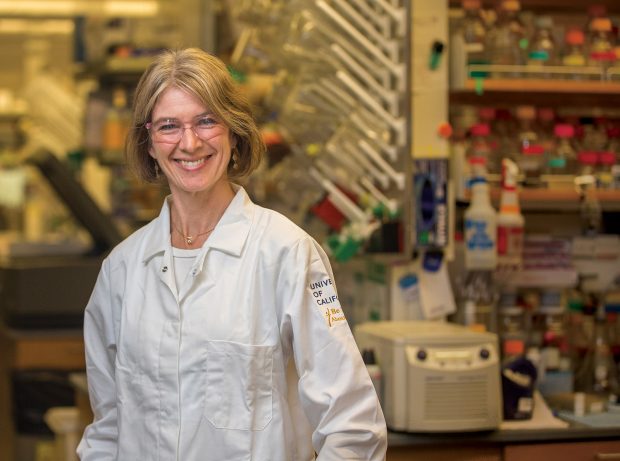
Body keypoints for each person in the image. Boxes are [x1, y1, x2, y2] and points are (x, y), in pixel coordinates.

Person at [77, 47, 387, 461]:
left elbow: (354, 428)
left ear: (234, 132)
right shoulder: (122, 270)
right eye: (169, 126)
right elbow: (108, 432)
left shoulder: (287, 254)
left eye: (206, 121)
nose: (189, 143)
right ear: (149, 143)